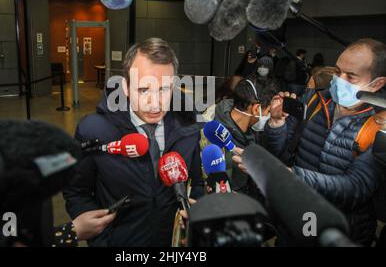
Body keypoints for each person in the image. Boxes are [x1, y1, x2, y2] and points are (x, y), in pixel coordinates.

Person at [233, 38, 386, 246]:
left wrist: (290, 176)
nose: (340, 80)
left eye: (351, 76)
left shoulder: (381, 126)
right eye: (338, 71)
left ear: (376, 83)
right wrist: (277, 124)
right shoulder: (315, 100)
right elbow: (279, 151)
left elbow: (355, 187)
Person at [63, 38, 204, 247]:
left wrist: (194, 219)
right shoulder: (93, 131)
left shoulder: (188, 125)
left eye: (163, 89)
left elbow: (196, 183)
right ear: (126, 87)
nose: (155, 103)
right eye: (143, 89)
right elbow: (76, 192)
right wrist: (101, 239)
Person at [201, 75, 279, 193]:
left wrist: (277, 123)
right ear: (256, 108)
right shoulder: (214, 138)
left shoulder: (251, 130)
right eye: (268, 112)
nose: (268, 117)